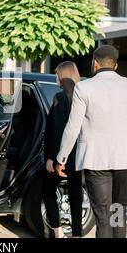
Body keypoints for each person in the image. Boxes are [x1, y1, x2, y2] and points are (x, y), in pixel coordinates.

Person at [55, 45, 127, 238]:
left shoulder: (84, 87)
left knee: (103, 216)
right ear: (115, 65)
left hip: (95, 160)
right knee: (118, 212)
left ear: (95, 63)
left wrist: (61, 157)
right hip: (125, 160)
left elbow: (73, 127)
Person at [42, 61, 83, 238]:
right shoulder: (83, 96)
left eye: (57, 74)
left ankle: (58, 231)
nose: (55, 78)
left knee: (47, 191)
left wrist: (52, 157)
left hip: (62, 157)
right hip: (79, 157)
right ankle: (77, 234)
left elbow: (58, 130)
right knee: (76, 197)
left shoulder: (60, 97)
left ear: (63, 75)